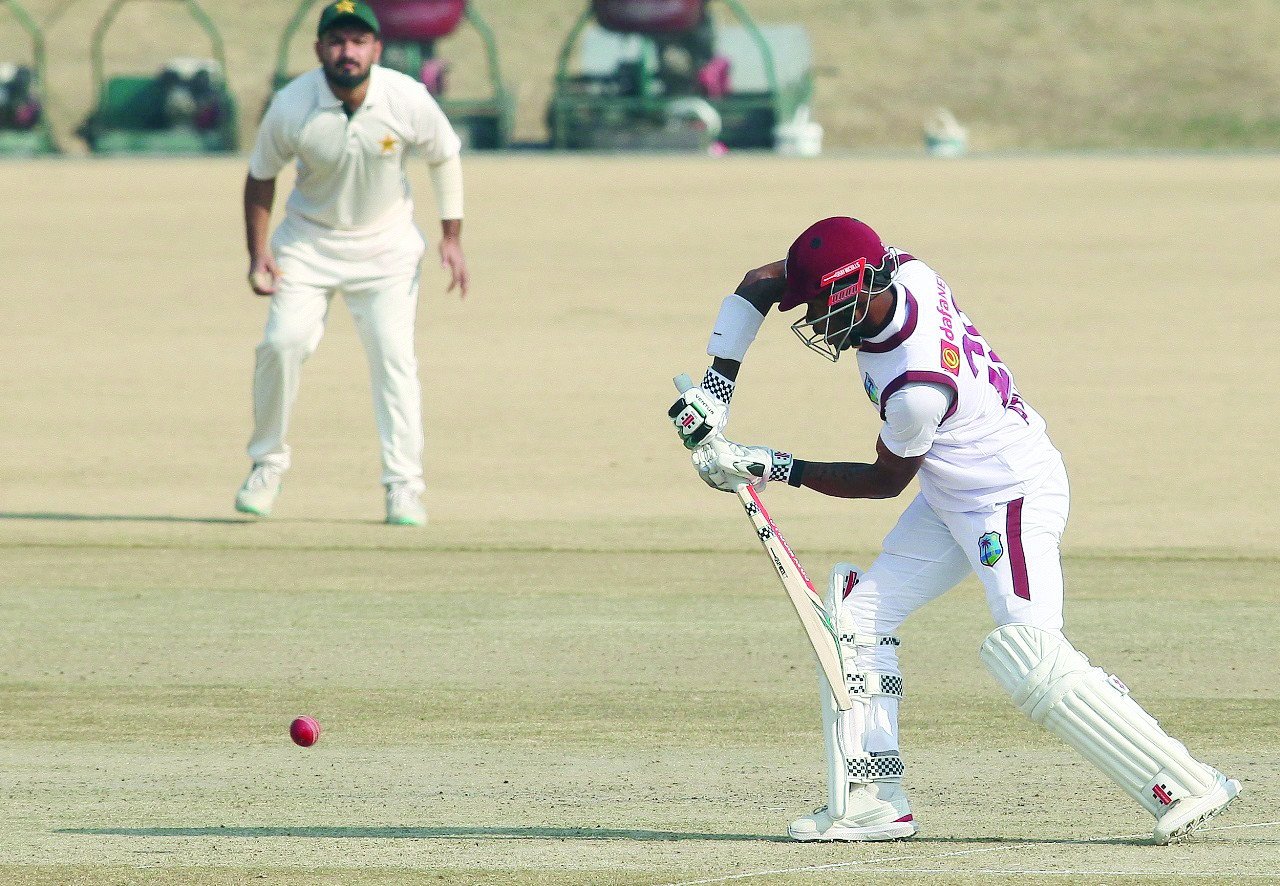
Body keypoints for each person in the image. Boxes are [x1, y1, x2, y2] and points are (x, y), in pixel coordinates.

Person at [668, 216, 1241, 843]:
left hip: (1008, 499)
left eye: (825, 306)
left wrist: (769, 465)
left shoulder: (915, 386)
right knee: (854, 623)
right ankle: (876, 802)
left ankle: (1188, 781)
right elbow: (762, 280)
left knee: (1033, 656)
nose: (818, 323)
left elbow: (885, 483)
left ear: (862, 285)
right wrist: (717, 389)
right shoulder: (905, 269)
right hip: (950, 493)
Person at [236, 0, 467, 526]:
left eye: (359, 42)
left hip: (385, 249)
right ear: (319, 49)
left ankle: (404, 487)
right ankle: (266, 466)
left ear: (376, 49)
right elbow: (260, 175)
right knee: (281, 344)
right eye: (337, 41)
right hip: (308, 244)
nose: (348, 52)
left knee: (394, 360)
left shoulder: (405, 97)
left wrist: (451, 236)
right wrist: (259, 253)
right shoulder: (292, 105)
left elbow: (444, 153)